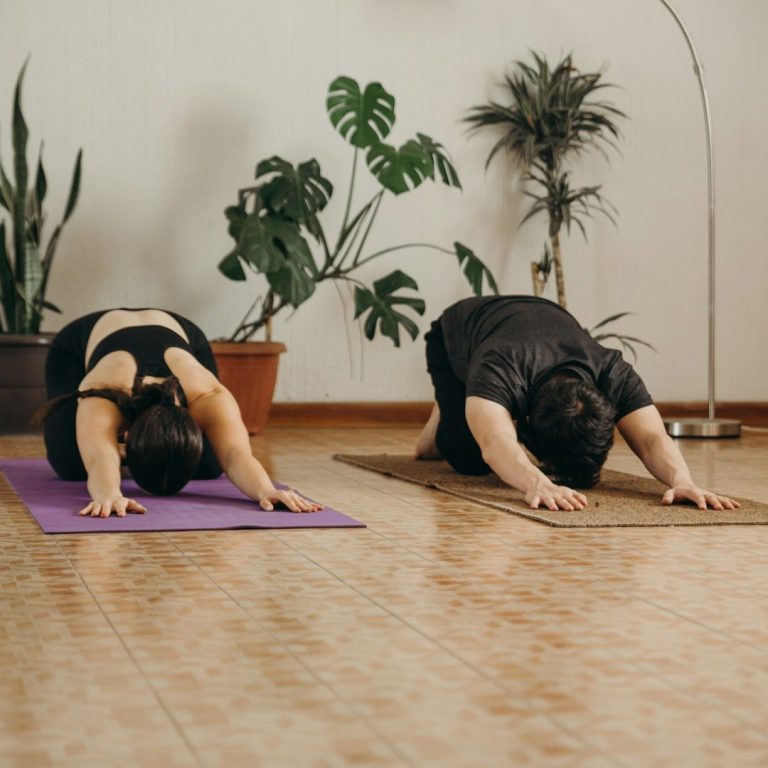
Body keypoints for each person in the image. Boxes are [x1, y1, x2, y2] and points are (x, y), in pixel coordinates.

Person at [414, 295, 739, 513]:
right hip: (457, 332)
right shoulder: (499, 367)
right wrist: (536, 482)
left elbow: (652, 437)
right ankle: (454, 400)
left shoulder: (611, 370)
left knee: (489, 420)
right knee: (468, 460)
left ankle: (476, 404)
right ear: (526, 424)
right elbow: (495, 443)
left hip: (538, 317)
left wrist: (682, 481)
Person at [40, 308, 320, 518]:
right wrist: (110, 494)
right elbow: (99, 458)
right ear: (129, 431)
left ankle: (127, 453)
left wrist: (266, 490)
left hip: (183, 335)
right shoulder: (104, 393)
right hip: (76, 345)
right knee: (71, 465)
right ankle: (122, 454)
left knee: (211, 466)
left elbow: (237, 454)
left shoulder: (208, 395)